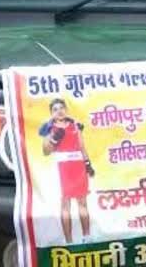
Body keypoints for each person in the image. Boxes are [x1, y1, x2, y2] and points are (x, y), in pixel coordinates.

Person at [39, 98, 94, 244]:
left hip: (78, 166)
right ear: (51, 113)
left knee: (82, 203)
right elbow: (45, 151)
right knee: (65, 205)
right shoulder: (48, 128)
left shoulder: (75, 125)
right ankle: (69, 241)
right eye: (55, 109)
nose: (59, 111)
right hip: (62, 168)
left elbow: (82, 146)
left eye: (61, 107)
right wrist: (54, 139)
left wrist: (88, 164)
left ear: (66, 109)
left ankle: (87, 237)